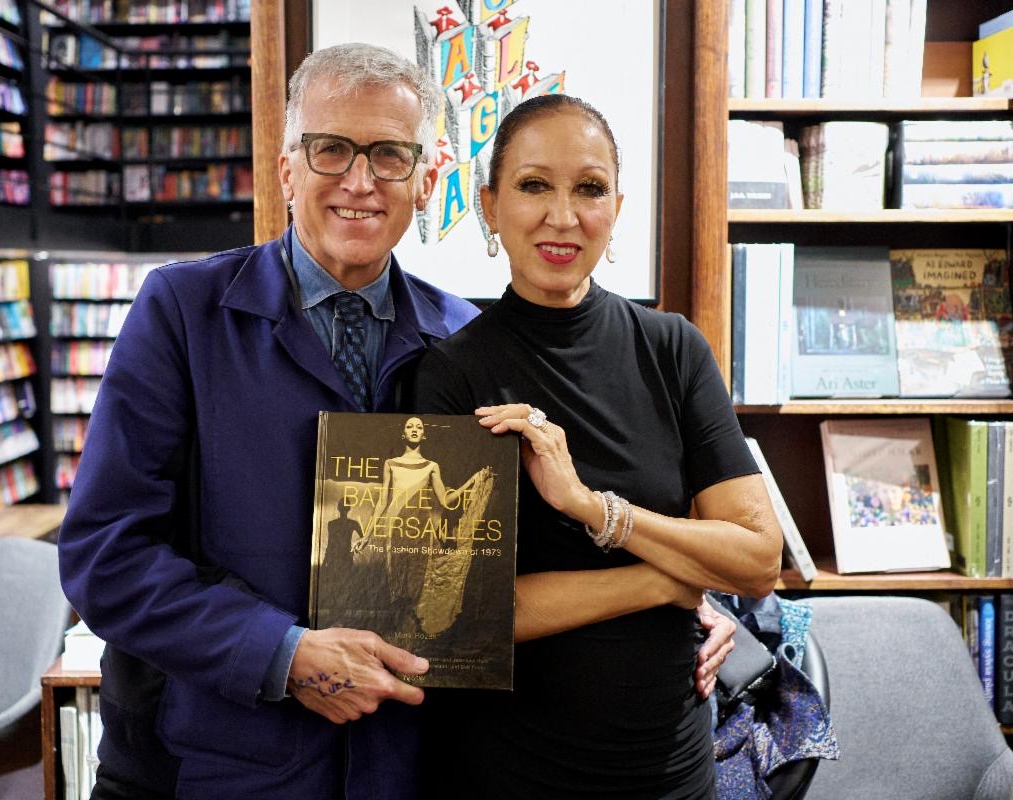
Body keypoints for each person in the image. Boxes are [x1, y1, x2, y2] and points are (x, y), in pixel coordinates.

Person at [57, 43, 481, 799]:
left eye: (389, 155)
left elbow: (519, 541)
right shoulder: (182, 313)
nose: (360, 181)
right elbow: (105, 555)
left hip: (406, 763)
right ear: (287, 170)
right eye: (330, 150)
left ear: (426, 181)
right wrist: (284, 654)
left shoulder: (468, 339)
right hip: (219, 762)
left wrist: (694, 612)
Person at [413, 93, 784, 799]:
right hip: (509, 771)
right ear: (490, 208)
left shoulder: (673, 349)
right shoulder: (454, 371)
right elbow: (457, 617)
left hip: (671, 768)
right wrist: (668, 579)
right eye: (533, 186)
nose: (563, 215)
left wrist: (590, 506)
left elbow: (758, 561)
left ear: (616, 207)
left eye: (589, 188)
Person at [357, 416, 493, 635]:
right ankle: (398, 633)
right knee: (396, 579)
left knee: (420, 578)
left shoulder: (432, 466)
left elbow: (446, 500)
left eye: (418, 427)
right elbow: (382, 501)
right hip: (397, 527)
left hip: (421, 528)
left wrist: (472, 480)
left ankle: (418, 634)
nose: (414, 429)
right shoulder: (390, 464)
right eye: (409, 426)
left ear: (424, 434)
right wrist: (367, 534)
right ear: (403, 433)